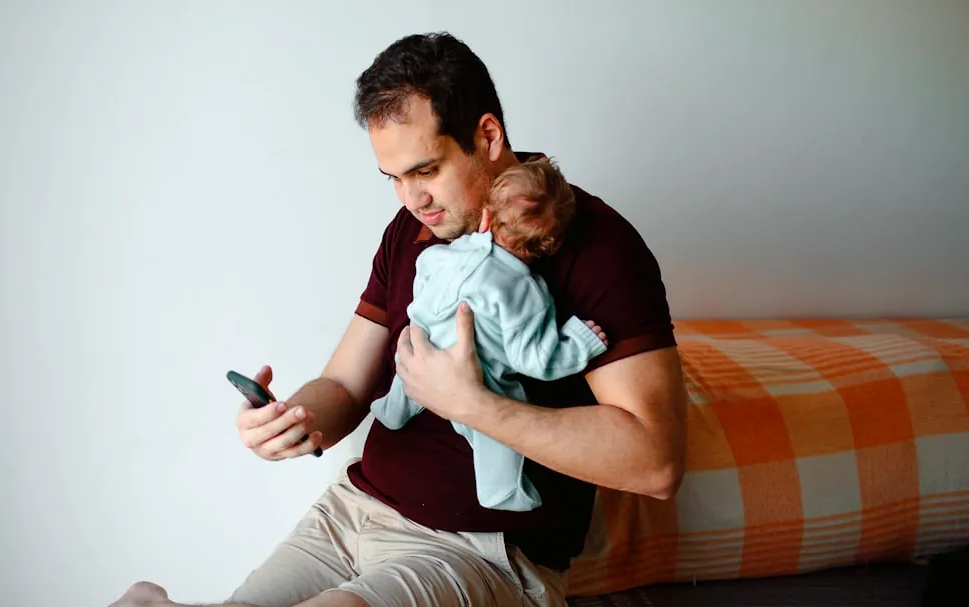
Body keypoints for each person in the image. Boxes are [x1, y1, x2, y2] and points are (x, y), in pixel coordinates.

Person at [109, 31, 686, 607]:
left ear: (487, 136)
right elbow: (344, 385)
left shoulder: (597, 243)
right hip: (351, 513)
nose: (412, 199)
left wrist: (473, 405)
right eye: (393, 178)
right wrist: (293, 421)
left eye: (426, 169)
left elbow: (655, 461)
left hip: (479, 551)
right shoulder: (414, 231)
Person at [370, 157, 611, 513]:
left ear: (484, 218)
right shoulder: (525, 292)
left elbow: (424, 267)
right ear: (548, 247)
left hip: (421, 340)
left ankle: (392, 408)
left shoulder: (453, 251)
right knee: (495, 431)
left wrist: (425, 306)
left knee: (407, 367)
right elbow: (535, 360)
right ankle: (500, 490)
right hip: (475, 377)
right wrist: (579, 340)